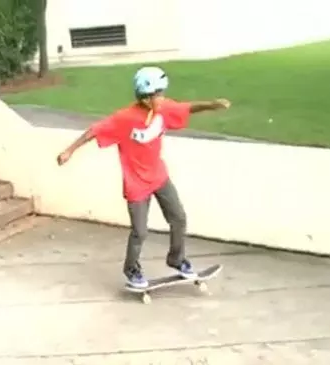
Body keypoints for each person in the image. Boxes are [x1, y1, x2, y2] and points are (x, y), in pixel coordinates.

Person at [56, 66, 231, 289]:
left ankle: (177, 259)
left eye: (162, 94)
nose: (162, 99)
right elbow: (95, 130)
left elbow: (186, 107)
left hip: (159, 176)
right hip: (136, 183)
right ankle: (131, 269)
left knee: (178, 218)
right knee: (140, 231)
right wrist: (69, 150)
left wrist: (212, 105)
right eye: (158, 95)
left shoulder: (163, 109)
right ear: (146, 98)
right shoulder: (124, 118)